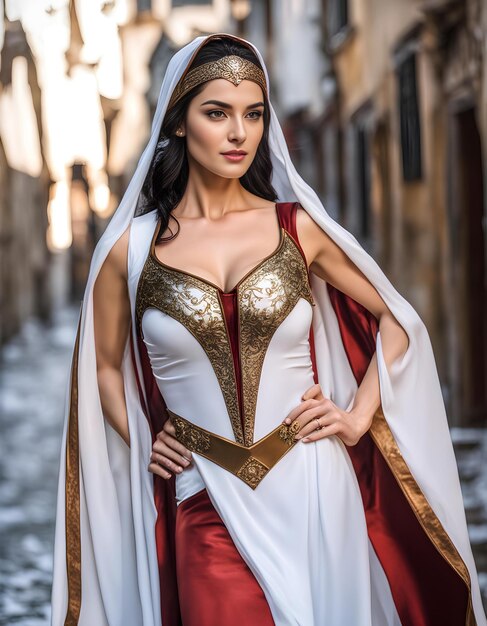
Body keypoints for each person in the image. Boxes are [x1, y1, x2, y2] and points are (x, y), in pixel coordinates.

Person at [50, 32, 487, 626]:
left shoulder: (298, 230)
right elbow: (102, 365)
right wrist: (145, 433)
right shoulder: (130, 251)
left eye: (253, 114)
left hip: (313, 483)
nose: (239, 133)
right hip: (203, 494)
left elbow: (396, 318)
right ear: (178, 123)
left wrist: (357, 416)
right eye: (217, 113)